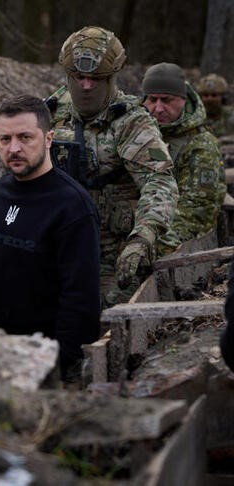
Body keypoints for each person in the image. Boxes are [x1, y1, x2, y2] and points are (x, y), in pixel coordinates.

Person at [46, 26, 179, 306]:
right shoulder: (52, 112)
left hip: (112, 252)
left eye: (96, 79)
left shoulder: (131, 122)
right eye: (79, 77)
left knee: (104, 321)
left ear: (111, 77)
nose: (86, 86)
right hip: (58, 243)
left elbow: (160, 182)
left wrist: (143, 236)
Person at [0, 94, 101, 383]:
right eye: (5, 139)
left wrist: (58, 365)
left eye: (25, 137)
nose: (14, 148)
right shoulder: (1, 191)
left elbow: (81, 298)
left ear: (48, 139)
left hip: (45, 363)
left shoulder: (72, 207)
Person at [141, 63, 226, 255]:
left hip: (167, 239)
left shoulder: (200, 145)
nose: (158, 108)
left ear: (183, 99)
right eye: (152, 99)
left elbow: (197, 211)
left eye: (166, 100)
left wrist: (152, 247)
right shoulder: (134, 133)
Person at [195, 73, 234, 138]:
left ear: (223, 97)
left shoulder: (230, 115)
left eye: (214, 95)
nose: (210, 99)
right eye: (206, 95)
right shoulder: (196, 118)